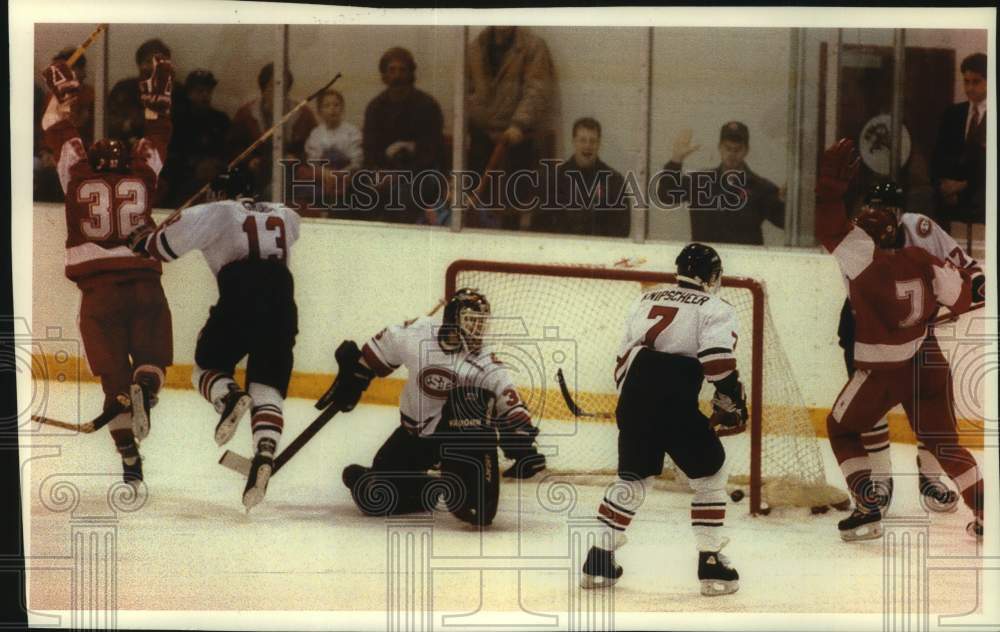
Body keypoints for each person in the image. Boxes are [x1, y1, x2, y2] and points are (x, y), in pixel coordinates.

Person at [815, 139, 982, 542]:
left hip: (881, 364)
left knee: (842, 426)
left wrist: (828, 191)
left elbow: (829, 227)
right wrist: (934, 311)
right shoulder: (921, 259)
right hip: (922, 350)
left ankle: (869, 501)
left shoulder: (859, 254)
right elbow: (971, 289)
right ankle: (986, 508)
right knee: (944, 441)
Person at [128, 167, 301, 510]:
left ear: (221, 193)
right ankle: (265, 453)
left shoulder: (217, 211)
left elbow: (161, 248)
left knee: (206, 368)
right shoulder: (286, 215)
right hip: (283, 301)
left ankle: (228, 397)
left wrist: (143, 238)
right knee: (267, 387)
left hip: (241, 291)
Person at [580, 243, 745, 596]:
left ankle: (598, 557)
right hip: (675, 397)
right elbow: (717, 362)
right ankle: (711, 561)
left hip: (635, 394)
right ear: (713, 276)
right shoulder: (716, 307)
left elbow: (624, 356)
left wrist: (638, 404)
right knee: (710, 474)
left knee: (634, 477)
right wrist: (731, 399)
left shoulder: (646, 298)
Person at [40, 54, 175, 486]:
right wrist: (156, 108)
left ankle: (130, 461)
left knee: (112, 387)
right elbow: (157, 133)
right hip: (144, 287)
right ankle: (146, 391)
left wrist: (60, 98)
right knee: (152, 361)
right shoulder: (143, 175)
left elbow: (54, 128)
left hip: (98, 298)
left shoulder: (77, 175)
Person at [327, 288, 546, 527]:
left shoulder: (485, 361)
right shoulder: (418, 334)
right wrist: (357, 374)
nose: (478, 330)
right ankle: (432, 488)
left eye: (481, 323)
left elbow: (510, 402)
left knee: (470, 400)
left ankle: (466, 484)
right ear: (453, 318)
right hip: (414, 437)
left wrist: (522, 442)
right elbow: (380, 350)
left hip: (456, 443)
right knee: (375, 496)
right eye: (472, 321)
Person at [466, 26, 555, 230]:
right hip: (482, 136)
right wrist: (477, 121)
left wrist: (518, 125)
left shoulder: (533, 47)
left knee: (513, 202)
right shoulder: (476, 47)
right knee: (478, 202)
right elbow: (467, 91)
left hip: (516, 138)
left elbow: (537, 90)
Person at [657, 122, 785, 245]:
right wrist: (676, 160)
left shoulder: (761, 188)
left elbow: (784, 222)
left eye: (738, 149)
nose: (732, 154)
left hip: (745, 263)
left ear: (746, 150)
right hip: (705, 261)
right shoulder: (700, 182)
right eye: (728, 148)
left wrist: (787, 203)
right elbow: (666, 197)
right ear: (719, 147)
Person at [361, 47, 447, 223]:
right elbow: (370, 150)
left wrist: (399, 175)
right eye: (392, 70)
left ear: (411, 74)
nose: (397, 76)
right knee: (356, 188)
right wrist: (378, 173)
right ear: (384, 75)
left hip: (422, 174)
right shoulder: (375, 107)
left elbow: (431, 152)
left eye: (402, 70)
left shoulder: (427, 105)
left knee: (402, 194)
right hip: (384, 173)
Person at [226, 63, 317, 200]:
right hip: (255, 173)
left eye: (283, 87)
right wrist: (249, 160)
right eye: (273, 86)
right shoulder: (247, 113)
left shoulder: (303, 114)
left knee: (272, 192)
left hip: (290, 173)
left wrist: (298, 159)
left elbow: (315, 146)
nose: (279, 92)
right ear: (263, 89)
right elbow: (233, 146)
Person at [534, 117, 630, 237]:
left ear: (599, 144)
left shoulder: (615, 181)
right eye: (583, 140)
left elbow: (622, 228)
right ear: (574, 142)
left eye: (592, 141)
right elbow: (540, 226)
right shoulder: (553, 179)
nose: (588, 145)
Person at [930, 53, 987, 236]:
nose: (969, 88)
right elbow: (938, 155)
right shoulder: (953, 114)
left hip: (982, 202)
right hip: (949, 202)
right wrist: (944, 185)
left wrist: (964, 185)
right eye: (966, 81)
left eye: (976, 82)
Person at [35, 47, 96, 202]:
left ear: (81, 70)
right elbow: (45, 130)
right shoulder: (51, 97)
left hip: (82, 153)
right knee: (41, 172)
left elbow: (82, 127)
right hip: (55, 153)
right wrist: (46, 152)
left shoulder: (89, 94)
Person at [165, 70, 231, 206]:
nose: (205, 95)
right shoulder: (177, 120)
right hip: (184, 181)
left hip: (216, 179)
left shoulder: (220, 120)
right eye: (200, 91)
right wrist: (194, 167)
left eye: (208, 91)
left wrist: (217, 165)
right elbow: (170, 157)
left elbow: (228, 151)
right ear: (189, 94)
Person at [296, 88, 362, 216]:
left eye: (336, 105)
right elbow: (313, 161)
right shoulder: (316, 133)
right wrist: (324, 174)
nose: (332, 109)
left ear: (342, 108)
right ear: (320, 111)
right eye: (327, 105)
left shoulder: (352, 132)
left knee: (346, 195)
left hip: (345, 176)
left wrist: (341, 174)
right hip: (323, 177)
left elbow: (357, 161)